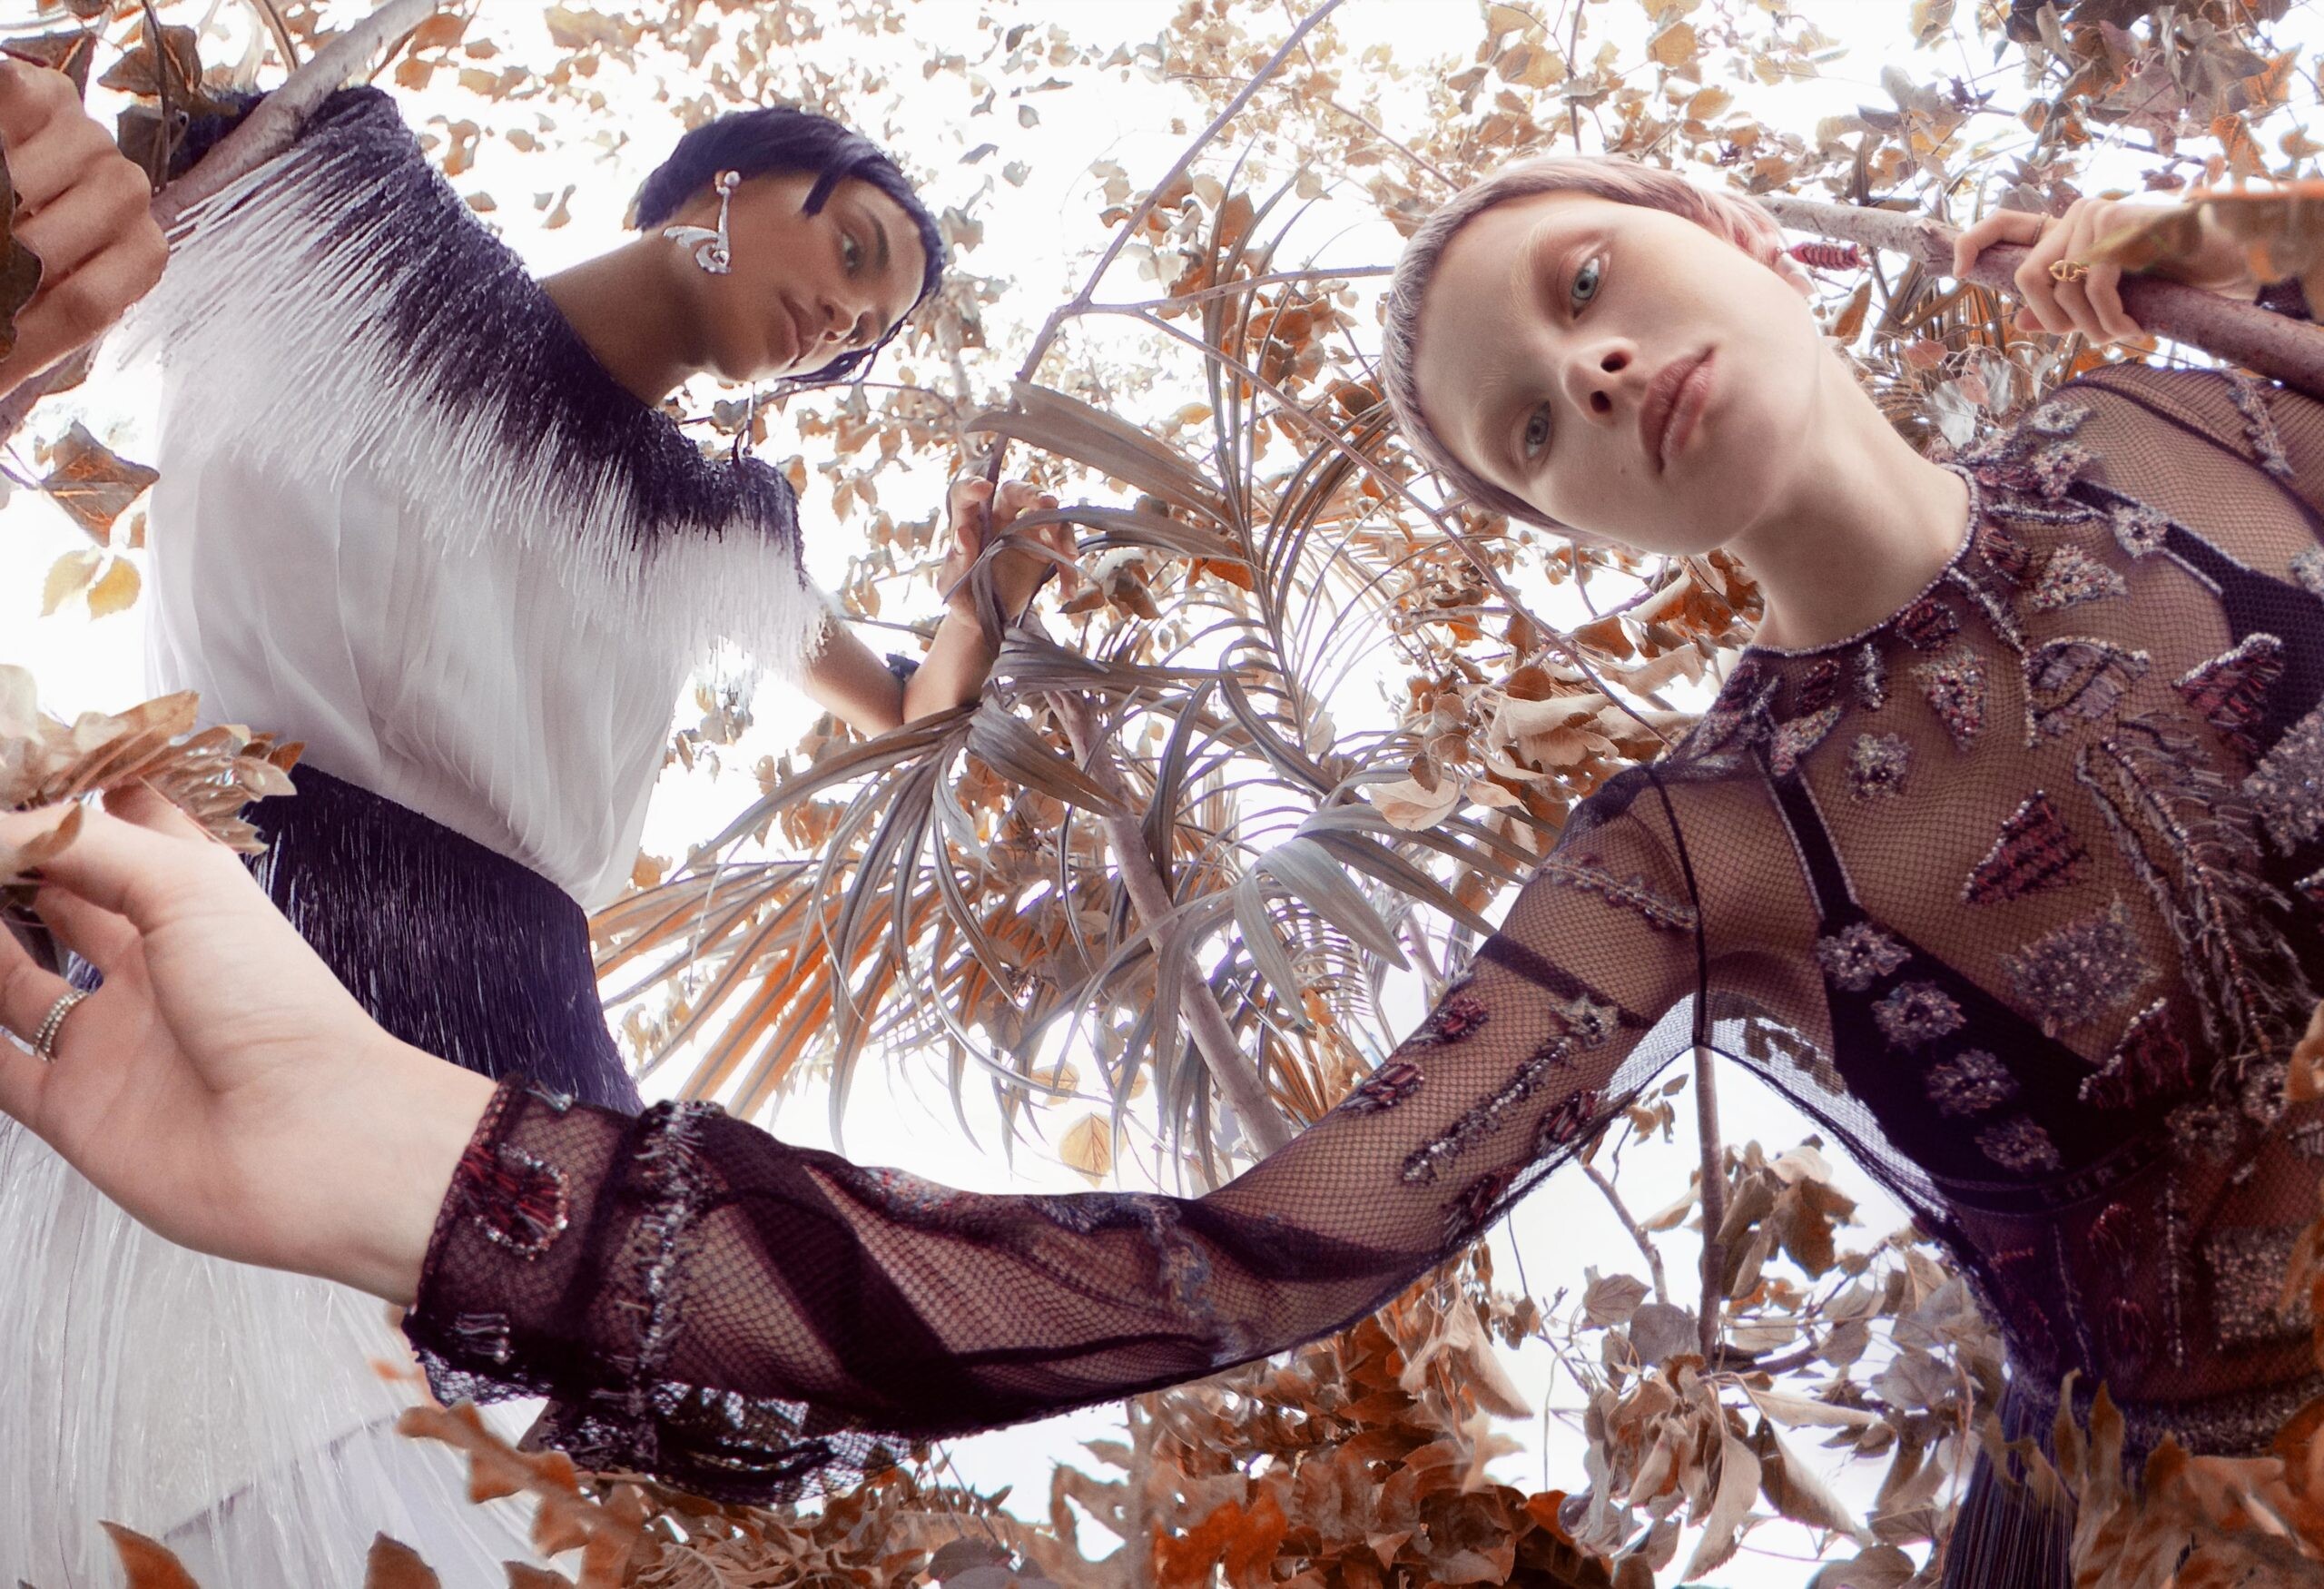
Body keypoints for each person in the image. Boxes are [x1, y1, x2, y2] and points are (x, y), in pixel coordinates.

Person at [5, 154, 2319, 1589]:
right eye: (1528, 420)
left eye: (1589, 277)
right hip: (2207, 1502)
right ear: (1574, 529)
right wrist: (429, 1170)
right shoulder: (1695, 852)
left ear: (1728, 231)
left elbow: (897, 692)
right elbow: (1221, 1264)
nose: (1599, 368)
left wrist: (2229, 243)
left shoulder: (2198, 389)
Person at [0, 57, 1069, 1589]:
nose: (843, 320)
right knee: (153, 1453)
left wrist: (989, 593)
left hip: (519, 1033)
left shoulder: (719, 525)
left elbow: (910, 711)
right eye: (853, 254)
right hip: (235, 932)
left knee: (486, 1512)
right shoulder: (349, 219)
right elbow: (76, 227)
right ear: (733, 176)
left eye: (868, 332)